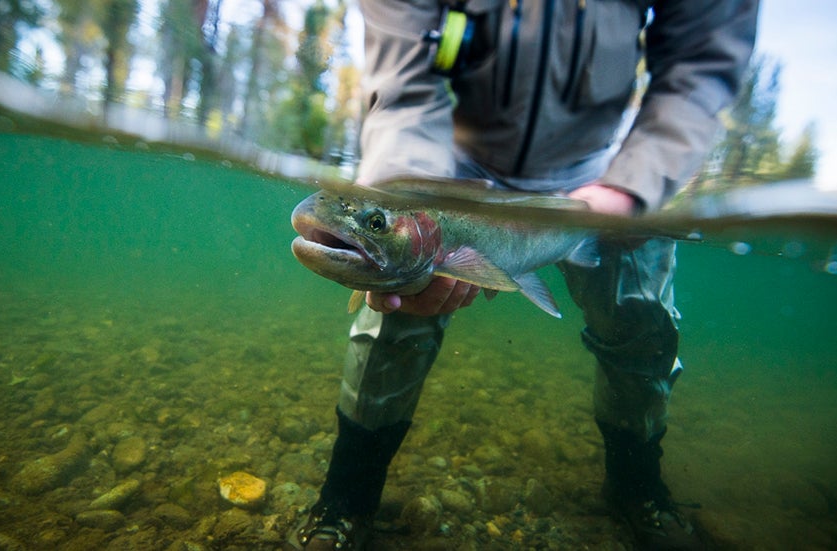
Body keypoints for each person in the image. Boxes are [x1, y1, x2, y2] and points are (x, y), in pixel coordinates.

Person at [290, 1, 757, 549]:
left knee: (642, 324)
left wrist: (634, 185)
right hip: (448, 164)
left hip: (602, 170)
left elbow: (703, 58)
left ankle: (637, 485)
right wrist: (403, 183)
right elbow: (400, 72)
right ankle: (347, 497)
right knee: (390, 323)